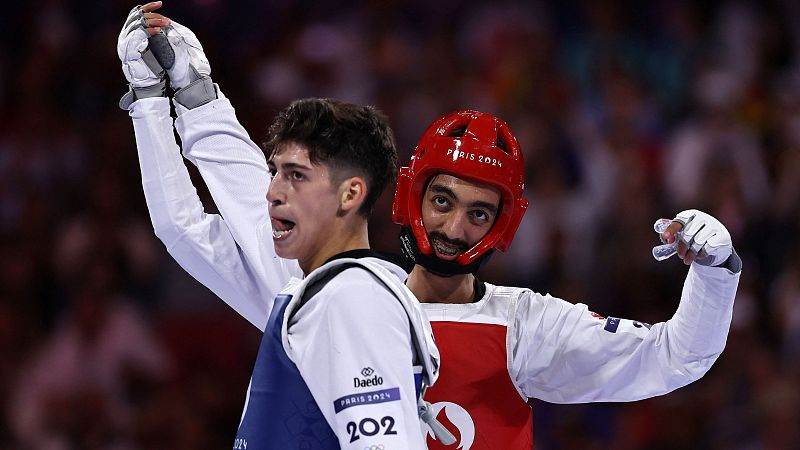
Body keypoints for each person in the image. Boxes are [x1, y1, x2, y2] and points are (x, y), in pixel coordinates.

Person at [123, 4, 742, 450]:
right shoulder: (321, 299)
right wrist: (172, 97)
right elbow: (201, 218)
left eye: (479, 213)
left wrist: (716, 273)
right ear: (411, 198)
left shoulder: (524, 327)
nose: (453, 226)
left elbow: (675, 357)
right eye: (442, 200)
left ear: (503, 227)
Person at [117, 3, 443, 449]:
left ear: (350, 195)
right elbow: (183, 229)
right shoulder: (304, 291)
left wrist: (187, 99)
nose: (272, 191)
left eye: (295, 175)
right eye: (276, 172)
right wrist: (163, 99)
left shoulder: (355, 301)